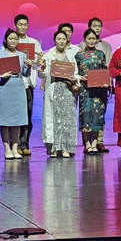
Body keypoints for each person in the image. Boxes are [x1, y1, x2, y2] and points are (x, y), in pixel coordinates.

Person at [0, 28, 31, 160]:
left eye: (15, 39)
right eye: (11, 38)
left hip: (18, 88)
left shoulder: (22, 55)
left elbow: (25, 74)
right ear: (5, 40)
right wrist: (0, 75)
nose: (13, 41)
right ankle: (7, 148)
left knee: (17, 121)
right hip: (5, 87)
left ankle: (15, 148)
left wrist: (29, 66)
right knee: (5, 121)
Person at [40, 30, 80, 158]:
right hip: (53, 89)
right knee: (52, 118)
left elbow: (76, 73)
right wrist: (41, 69)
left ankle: (65, 147)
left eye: (64, 39)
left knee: (66, 119)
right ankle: (53, 147)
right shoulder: (48, 55)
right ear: (55, 40)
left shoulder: (71, 56)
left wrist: (74, 79)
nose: (61, 41)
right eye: (59, 39)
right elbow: (42, 75)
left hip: (67, 90)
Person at [79, 17, 113, 152]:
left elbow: (107, 67)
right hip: (86, 88)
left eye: (99, 26)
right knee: (86, 114)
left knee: (99, 114)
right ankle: (87, 144)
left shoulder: (105, 48)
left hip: (100, 87)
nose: (97, 28)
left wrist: (108, 82)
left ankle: (99, 142)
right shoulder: (80, 49)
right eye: (94, 25)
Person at [14, 14, 43, 156]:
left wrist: (35, 61)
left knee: (27, 114)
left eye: (25, 24)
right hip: (14, 83)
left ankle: (24, 144)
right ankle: (15, 144)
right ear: (15, 25)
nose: (23, 27)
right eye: (20, 24)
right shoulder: (11, 41)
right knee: (15, 115)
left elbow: (40, 60)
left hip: (28, 83)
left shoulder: (33, 42)